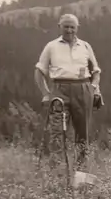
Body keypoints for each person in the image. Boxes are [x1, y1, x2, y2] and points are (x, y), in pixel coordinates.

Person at [34, 13, 101, 171]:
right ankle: (56, 171)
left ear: (77, 28)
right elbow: (39, 71)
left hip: (83, 89)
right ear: (59, 27)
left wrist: (93, 88)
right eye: (66, 26)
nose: (69, 30)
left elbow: (96, 70)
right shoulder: (51, 46)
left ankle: (80, 171)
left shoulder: (85, 46)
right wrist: (45, 93)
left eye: (72, 27)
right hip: (59, 89)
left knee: (82, 131)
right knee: (57, 131)